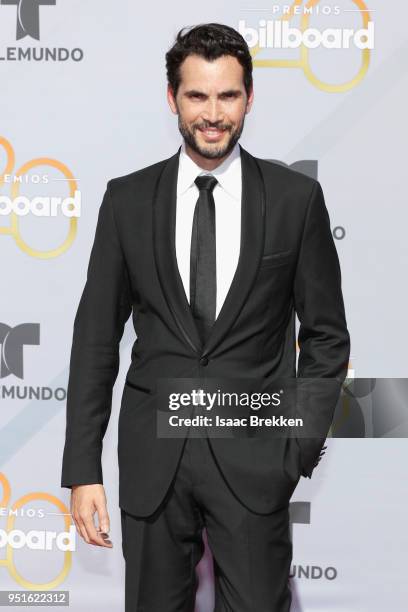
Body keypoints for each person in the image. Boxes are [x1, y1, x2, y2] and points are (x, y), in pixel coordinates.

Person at [61, 22, 350, 612]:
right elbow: (96, 339)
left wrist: (296, 449)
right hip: (153, 465)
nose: (213, 114)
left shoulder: (296, 200)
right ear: (172, 98)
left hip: (255, 456)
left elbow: (326, 337)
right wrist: (82, 469)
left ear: (248, 97)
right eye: (197, 96)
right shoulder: (127, 201)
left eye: (228, 95)